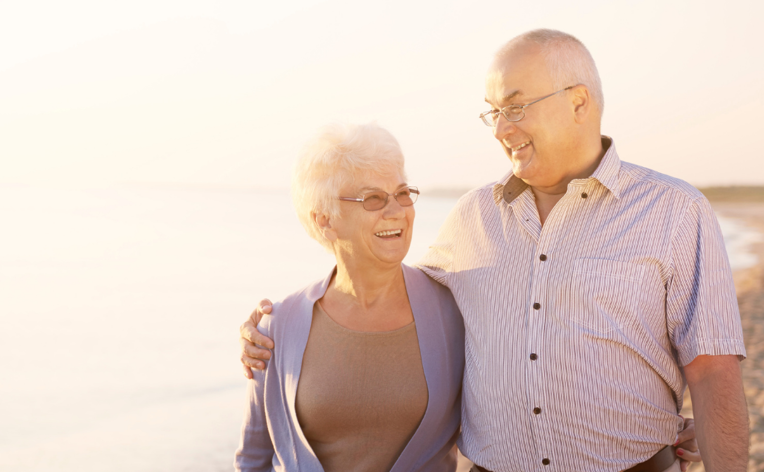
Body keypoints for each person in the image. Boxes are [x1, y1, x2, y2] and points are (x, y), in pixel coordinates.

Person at [240, 29, 747, 472]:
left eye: (517, 107)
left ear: (578, 102)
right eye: (494, 113)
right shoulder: (473, 216)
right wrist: (277, 328)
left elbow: (713, 371)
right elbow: (381, 279)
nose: (502, 129)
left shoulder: (675, 210)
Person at [235, 123, 465, 471]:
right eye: (373, 198)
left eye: (402, 193)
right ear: (325, 220)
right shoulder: (277, 327)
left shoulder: (456, 309)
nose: (396, 211)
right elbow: (253, 458)